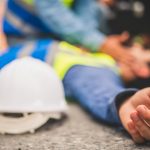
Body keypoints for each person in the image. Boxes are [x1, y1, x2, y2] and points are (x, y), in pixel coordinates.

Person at [0, 39, 150, 143]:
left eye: (144, 49)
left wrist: (124, 102)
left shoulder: (102, 71)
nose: (137, 45)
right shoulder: (102, 57)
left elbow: (97, 86)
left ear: (142, 70)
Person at [2, 0, 143, 72]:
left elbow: (85, 8)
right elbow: (52, 11)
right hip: (22, 39)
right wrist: (101, 43)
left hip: (56, 36)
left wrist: (93, 42)